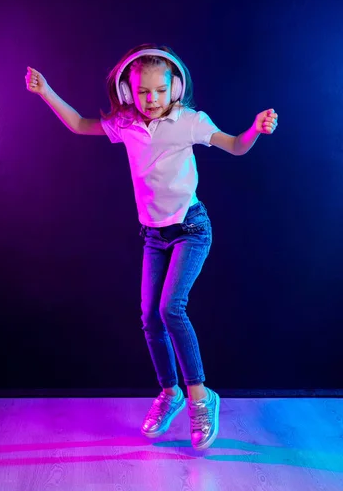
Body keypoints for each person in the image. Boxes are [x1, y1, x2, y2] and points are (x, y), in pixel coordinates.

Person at [25, 43, 278, 451]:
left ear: (175, 88)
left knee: (170, 306)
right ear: (128, 92)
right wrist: (45, 91)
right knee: (149, 316)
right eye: (143, 92)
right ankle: (170, 392)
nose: (152, 100)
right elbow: (77, 124)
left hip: (191, 229)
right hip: (154, 236)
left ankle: (200, 396)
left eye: (160, 91)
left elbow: (234, 145)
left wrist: (254, 130)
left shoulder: (190, 121)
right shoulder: (125, 122)